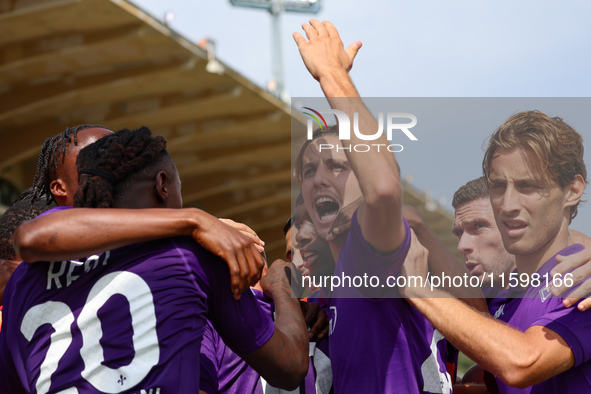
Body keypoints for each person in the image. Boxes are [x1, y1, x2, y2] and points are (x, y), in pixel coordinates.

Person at [0, 127, 309, 393]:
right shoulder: (191, 256)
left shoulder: (23, 282)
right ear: (163, 185)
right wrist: (281, 286)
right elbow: (291, 366)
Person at [293, 19, 475, 393]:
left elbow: (385, 191)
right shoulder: (333, 286)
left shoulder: (372, 247)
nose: (320, 178)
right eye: (309, 170)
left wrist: (331, 75)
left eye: (338, 166)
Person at [400, 110, 591, 393]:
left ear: (572, 191)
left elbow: (523, 363)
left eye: (528, 186)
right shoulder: (504, 297)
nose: (508, 203)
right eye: (498, 186)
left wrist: (418, 290)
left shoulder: (582, 281)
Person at [16, 124, 266, 298]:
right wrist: (194, 222)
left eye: (117, 153)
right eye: (91, 158)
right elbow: (29, 240)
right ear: (59, 188)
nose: (110, 163)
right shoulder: (43, 234)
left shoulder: (166, 247)